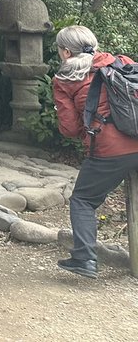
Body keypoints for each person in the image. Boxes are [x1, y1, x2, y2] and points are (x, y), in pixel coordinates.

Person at [52, 25, 138, 278]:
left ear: (66, 52)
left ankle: (85, 258)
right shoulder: (121, 62)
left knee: (83, 200)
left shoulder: (65, 79)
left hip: (110, 149)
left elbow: (69, 128)